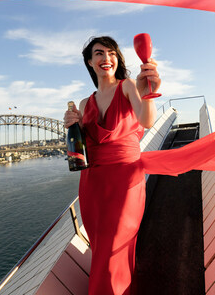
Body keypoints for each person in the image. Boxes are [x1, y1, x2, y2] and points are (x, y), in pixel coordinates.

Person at [63, 36, 161, 295]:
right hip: (93, 186)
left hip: (125, 181)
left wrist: (148, 91)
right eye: (99, 53)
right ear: (90, 62)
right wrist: (71, 126)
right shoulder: (85, 103)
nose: (106, 58)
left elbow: (147, 120)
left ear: (117, 59)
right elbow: (79, 150)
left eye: (111, 53)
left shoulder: (128, 86)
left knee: (115, 247)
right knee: (102, 250)